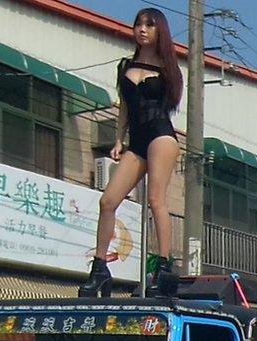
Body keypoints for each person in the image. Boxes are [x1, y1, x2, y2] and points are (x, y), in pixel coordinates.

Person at [79, 8, 183, 298]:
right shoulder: (125, 65)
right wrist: (118, 140)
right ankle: (100, 268)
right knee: (108, 200)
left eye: (149, 25)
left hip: (161, 135)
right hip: (136, 140)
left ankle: (163, 267)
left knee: (155, 199)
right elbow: (124, 105)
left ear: (159, 30)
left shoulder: (168, 68)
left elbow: (170, 103)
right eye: (138, 24)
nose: (142, 29)